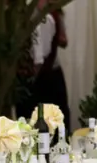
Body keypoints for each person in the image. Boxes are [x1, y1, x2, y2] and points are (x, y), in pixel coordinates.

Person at [32, 3, 70, 133]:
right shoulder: (53, 14)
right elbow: (63, 41)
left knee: (48, 123)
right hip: (51, 73)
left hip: (46, 75)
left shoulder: (47, 17)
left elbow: (41, 56)